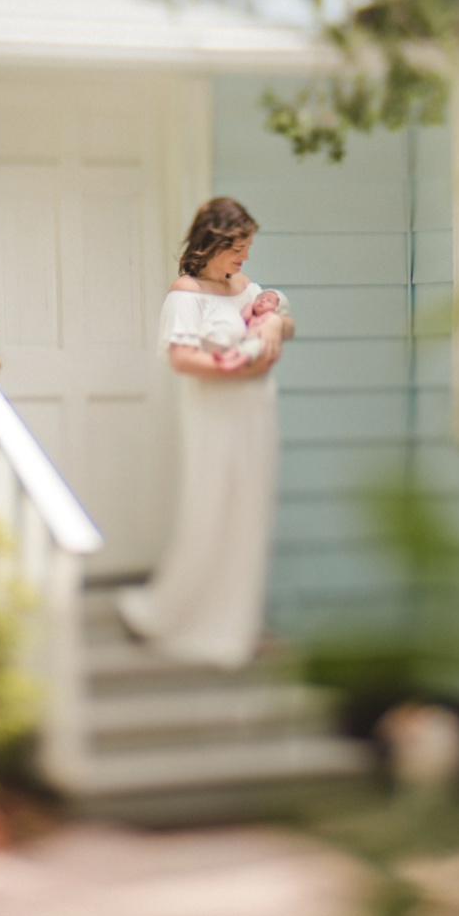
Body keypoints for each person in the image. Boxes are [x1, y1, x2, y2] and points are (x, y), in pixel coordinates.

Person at [116, 198, 294, 667]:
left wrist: (275, 321)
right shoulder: (186, 293)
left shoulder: (243, 286)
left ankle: (234, 623)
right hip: (214, 413)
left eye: (249, 246)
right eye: (239, 245)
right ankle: (171, 615)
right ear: (214, 239)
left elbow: (279, 319)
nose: (245, 256)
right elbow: (181, 359)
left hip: (255, 413)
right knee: (211, 507)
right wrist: (234, 370)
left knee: (248, 514)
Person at [202, 287, 292, 370]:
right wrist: (249, 305)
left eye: (269, 300)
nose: (263, 301)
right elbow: (244, 317)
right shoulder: (253, 317)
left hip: (258, 342)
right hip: (246, 339)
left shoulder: (270, 316)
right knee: (237, 348)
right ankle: (225, 357)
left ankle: (234, 364)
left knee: (248, 352)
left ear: (277, 309)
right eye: (261, 298)